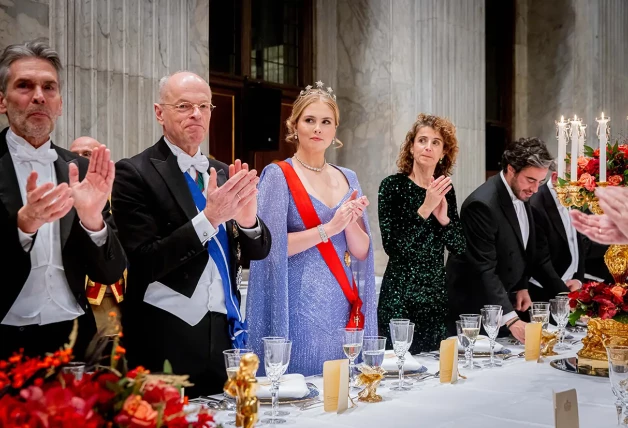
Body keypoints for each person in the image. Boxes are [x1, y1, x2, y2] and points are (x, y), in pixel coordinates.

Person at [112, 71, 271, 396]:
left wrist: (247, 218)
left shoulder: (225, 172)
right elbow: (143, 261)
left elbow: (258, 252)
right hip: (165, 333)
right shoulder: (134, 173)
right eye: (183, 106)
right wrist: (210, 218)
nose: (196, 114)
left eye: (203, 106)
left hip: (226, 331)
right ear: (160, 112)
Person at [0, 40, 126, 360]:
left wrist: (92, 219)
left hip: (71, 337)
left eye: (49, 87)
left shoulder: (82, 170)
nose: (39, 96)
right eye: (24, 86)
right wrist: (24, 227)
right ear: (2, 101)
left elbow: (110, 273)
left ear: (59, 104)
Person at [246, 81, 377, 376]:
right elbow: (269, 247)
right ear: (294, 126)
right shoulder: (279, 175)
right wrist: (328, 229)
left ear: (335, 130)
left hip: (341, 303)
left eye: (326, 122)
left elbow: (360, 250)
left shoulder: (348, 177)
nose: (318, 128)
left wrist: (351, 220)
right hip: (298, 306)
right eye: (309, 120)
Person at [446, 138, 577, 343]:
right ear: (511, 169)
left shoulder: (521, 194)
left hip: (501, 303)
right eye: (530, 180)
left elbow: (530, 255)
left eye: (540, 182)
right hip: (473, 309)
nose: (535, 189)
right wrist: (511, 319)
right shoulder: (482, 205)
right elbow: (483, 268)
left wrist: (571, 301)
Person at [377, 113, 465, 354]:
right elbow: (394, 247)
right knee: (398, 374)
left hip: (434, 299)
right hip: (399, 298)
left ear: (444, 152)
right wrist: (426, 208)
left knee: (433, 378)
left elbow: (459, 247)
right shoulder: (392, 186)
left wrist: (444, 219)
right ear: (412, 147)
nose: (428, 147)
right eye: (422, 140)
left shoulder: (445, 189)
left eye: (436, 142)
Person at [70, 136, 125, 332]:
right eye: (74, 154)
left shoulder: (118, 194)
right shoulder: (63, 196)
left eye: (87, 154)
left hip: (118, 292)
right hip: (77, 296)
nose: (80, 159)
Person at [528, 162, 586, 302]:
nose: (578, 190)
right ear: (555, 178)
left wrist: (578, 280)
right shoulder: (535, 204)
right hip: (543, 291)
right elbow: (539, 260)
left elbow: (577, 243)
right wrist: (565, 295)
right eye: (574, 184)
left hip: (572, 286)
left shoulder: (572, 198)